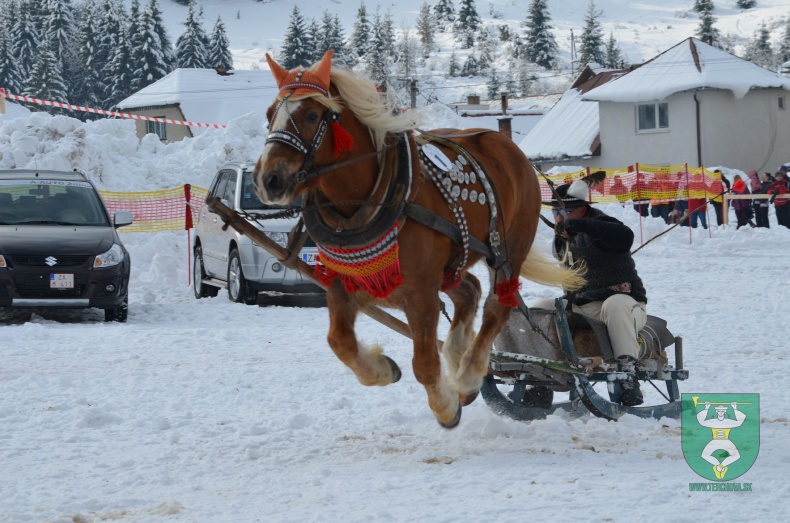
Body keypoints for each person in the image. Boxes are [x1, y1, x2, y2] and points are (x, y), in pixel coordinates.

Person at [531, 178, 648, 407]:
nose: (558, 217)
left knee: (615, 304)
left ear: (582, 210)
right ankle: (539, 380)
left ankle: (627, 375)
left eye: (565, 212)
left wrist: (582, 226)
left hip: (624, 305)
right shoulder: (562, 238)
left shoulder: (601, 225)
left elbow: (625, 236)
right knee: (539, 308)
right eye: (555, 212)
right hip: (581, 306)